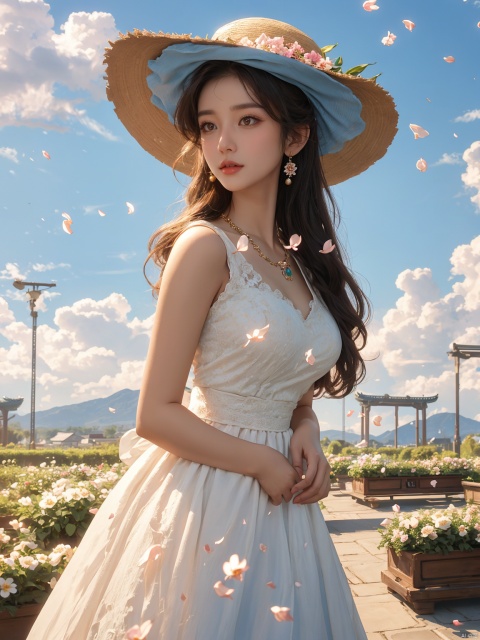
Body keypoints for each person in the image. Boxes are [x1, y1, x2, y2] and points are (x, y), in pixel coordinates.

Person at [27, 17, 397, 640]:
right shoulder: (205, 248)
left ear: (296, 136)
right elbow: (155, 414)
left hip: (284, 509)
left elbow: (293, 384)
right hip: (207, 498)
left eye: (247, 120)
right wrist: (261, 462)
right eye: (208, 123)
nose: (223, 141)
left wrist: (305, 428)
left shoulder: (304, 264)